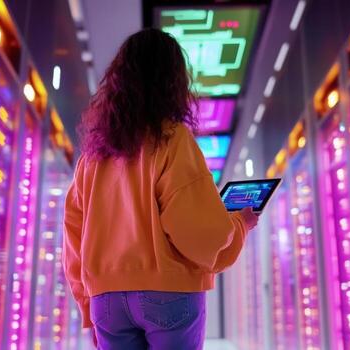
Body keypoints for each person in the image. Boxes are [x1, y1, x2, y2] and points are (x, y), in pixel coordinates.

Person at [63, 28, 259, 350]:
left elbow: (74, 237)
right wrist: (240, 225)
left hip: (106, 301)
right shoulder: (172, 139)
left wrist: (88, 304)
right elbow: (200, 234)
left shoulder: (91, 158)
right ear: (173, 82)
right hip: (169, 296)